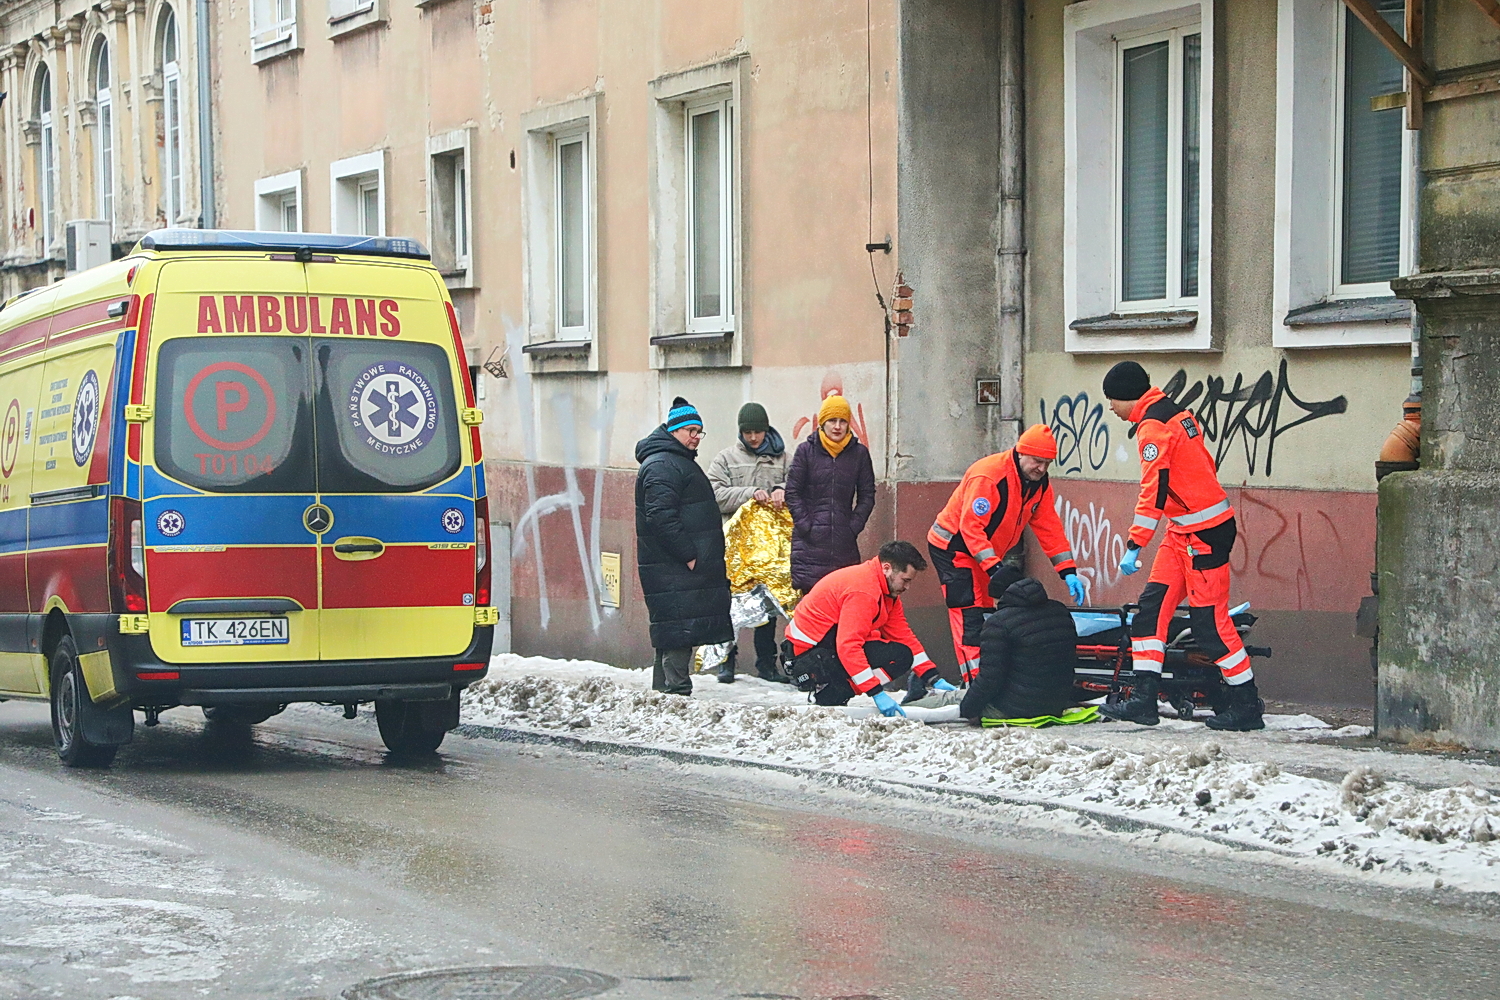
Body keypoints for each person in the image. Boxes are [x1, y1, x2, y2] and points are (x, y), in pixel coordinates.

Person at [1097, 361, 1263, 731]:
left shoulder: (1153, 428)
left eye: (1112, 400)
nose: (1110, 407)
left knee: (1211, 625)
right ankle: (1144, 700)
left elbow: (1153, 491)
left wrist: (1134, 545)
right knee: (1150, 613)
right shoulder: (1175, 412)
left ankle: (1247, 705)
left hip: (1203, 535)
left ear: (1127, 396)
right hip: (1184, 532)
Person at [926, 423, 1084, 686]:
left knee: (989, 616)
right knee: (969, 615)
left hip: (984, 553)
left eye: (1047, 463)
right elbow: (970, 527)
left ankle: (988, 679)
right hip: (953, 547)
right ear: (1021, 453)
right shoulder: (990, 476)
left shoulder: (1038, 484)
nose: (1042, 468)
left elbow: (1049, 527)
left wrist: (1067, 570)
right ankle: (974, 684)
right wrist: (994, 568)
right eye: (1037, 461)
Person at [784, 540, 955, 716]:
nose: (907, 587)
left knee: (900, 654)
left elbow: (903, 636)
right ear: (887, 568)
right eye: (905, 580)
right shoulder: (864, 591)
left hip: (821, 647)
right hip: (808, 657)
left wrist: (932, 677)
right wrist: (876, 693)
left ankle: (838, 690)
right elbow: (848, 645)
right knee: (895, 655)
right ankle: (834, 692)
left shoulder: (885, 592)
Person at [634, 396, 733, 695]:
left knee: (673, 630)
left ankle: (663, 693)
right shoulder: (664, 464)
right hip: (675, 567)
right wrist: (690, 555)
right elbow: (661, 517)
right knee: (679, 630)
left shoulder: (671, 461)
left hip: (675, 567)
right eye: (690, 430)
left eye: (699, 431)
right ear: (673, 430)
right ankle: (676, 694)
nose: (696, 437)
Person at [707, 402, 790, 684]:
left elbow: (799, 485)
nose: (753, 437)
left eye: (758, 432)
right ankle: (725, 661)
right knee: (728, 606)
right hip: (734, 547)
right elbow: (714, 494)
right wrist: (750, 493)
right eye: (748, 432)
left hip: (768, 549)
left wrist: (781, 490)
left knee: (766, 607)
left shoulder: (783, 459)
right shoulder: (725, 459)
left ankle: (766, 664)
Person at [957, 568, 1081, 723]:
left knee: (952, 699)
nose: (994, 605)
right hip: (1056, 704)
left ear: (1003, 596)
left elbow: (990, 678)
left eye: (994, 600)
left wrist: (967, 710)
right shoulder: (1060, 610)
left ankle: (919, 704)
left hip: (1014, 709)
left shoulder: (998, 623)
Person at [785, 395, 876, 594]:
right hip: (809, 548)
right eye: (832, 421)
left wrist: (853, 527)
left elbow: (867, 495)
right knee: (813, 614)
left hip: (844, 547)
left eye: (842, 421)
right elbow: (792, 492)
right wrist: (806, 526)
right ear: (823, 423)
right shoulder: (806, 451)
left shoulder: (859, 454)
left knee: (842, 608)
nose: (837, 426)